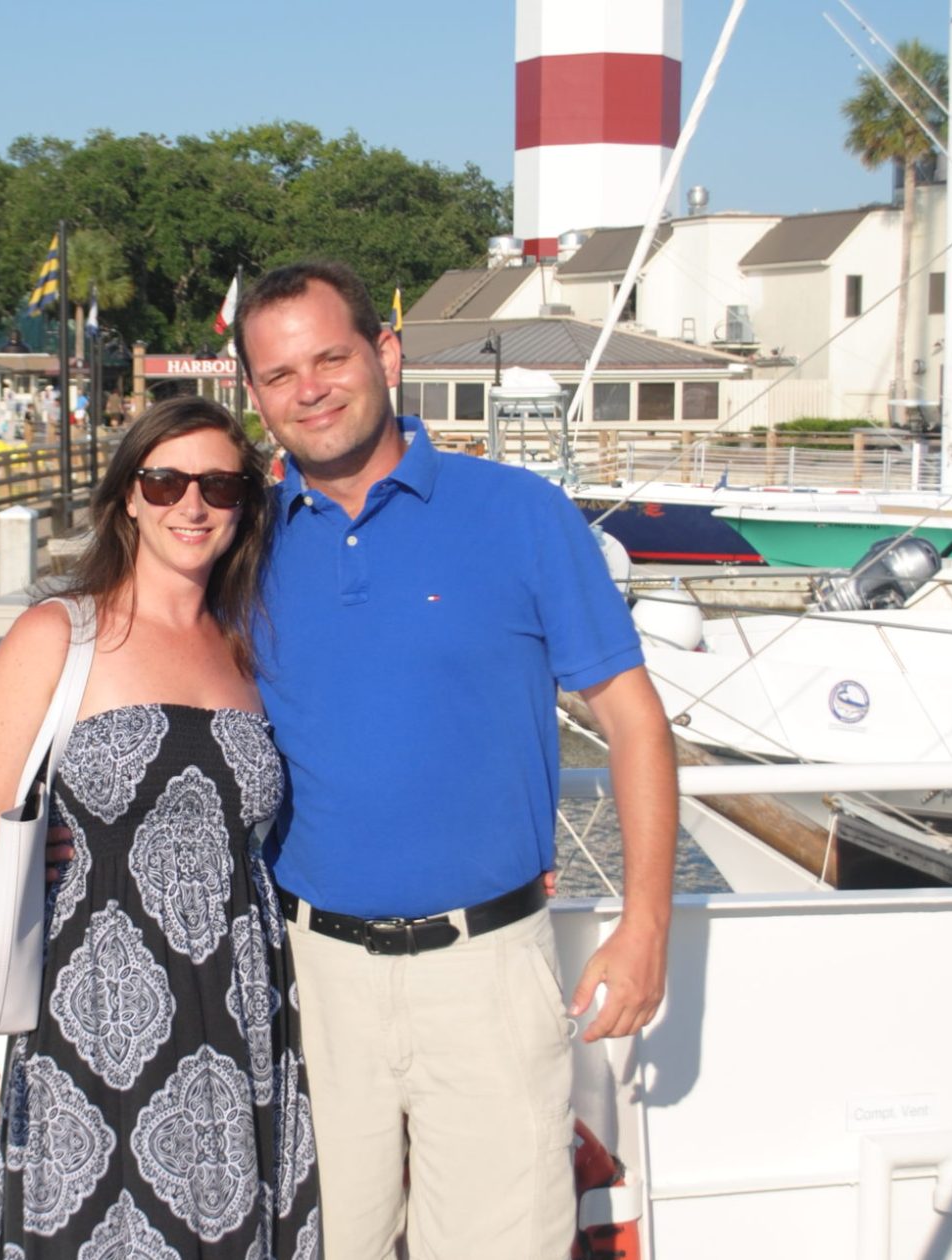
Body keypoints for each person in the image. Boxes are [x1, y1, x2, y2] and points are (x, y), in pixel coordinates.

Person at [234, 260, 677, 1258]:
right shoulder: (243, 544)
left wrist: (647, 922)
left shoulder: (521, 514)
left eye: (332, 357)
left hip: (487, 973)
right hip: (309, 982)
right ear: (255, 395)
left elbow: (637, 722)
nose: (309, 388)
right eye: (278, 373)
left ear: (386, 353)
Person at [0, 397, 321, 1256]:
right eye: (166, 480)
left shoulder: (249, 645)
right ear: (129, 498)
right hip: (93, 1014)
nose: (192, 504)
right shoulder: (58, 634)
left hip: (243, 1008)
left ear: (245, 507)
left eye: (219, 485)